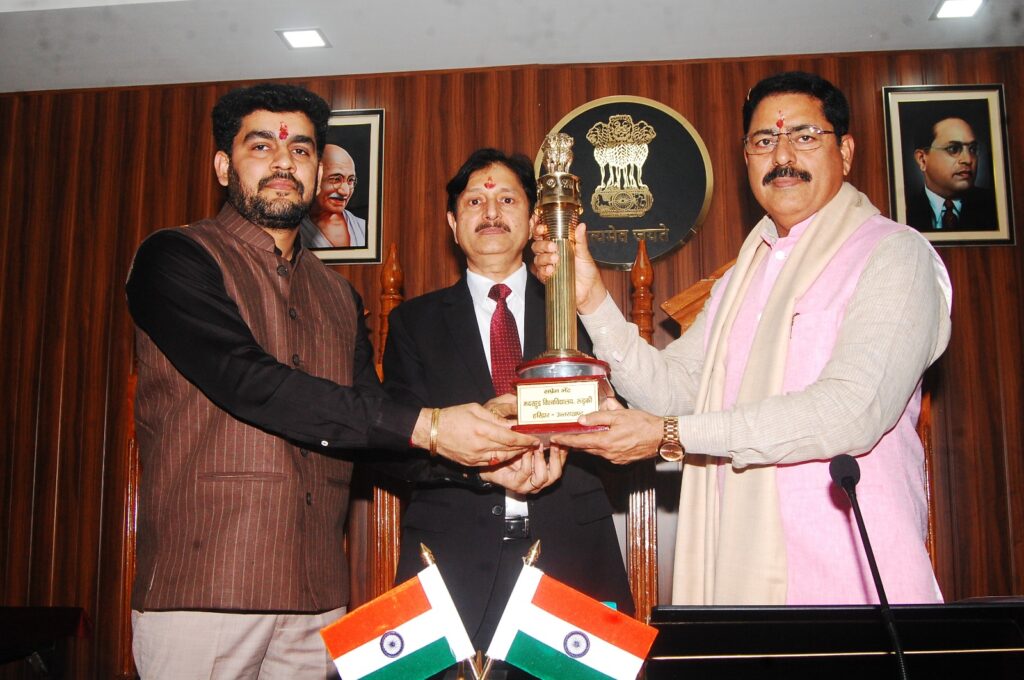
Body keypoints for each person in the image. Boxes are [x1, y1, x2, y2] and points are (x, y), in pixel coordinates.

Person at [125, 84, 538, 679]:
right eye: (261, 146)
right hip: (207, 587)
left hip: (316, 594)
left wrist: (479, 464)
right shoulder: (176, 258)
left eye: (300, 150)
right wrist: (432, 425)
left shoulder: (339, 297)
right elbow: (249, 382)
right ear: (222, 166)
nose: (283, 163)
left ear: (318, 174)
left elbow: (374, 431)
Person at [534, 71, 952, 606]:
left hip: (856, 584)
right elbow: (673, 390)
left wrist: (671, 435)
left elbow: (852, 410)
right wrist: (591, 299)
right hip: (742, 580)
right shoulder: (741, 279)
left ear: (845, 152)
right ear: (746, 158)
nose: (783, 155)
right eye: (764, 140)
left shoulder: (895, 255)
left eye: (805, 136)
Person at [380, 148, 633, 658]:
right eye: (475, 201)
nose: (491, 212)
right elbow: (395, 447)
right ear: (453, 225)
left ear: (535, 218)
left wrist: (580, 433)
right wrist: (479, 467)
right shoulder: (414, 323)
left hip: (571, 547)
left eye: (507, 200)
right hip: (451, 554)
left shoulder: (580, 308)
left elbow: (625, 416)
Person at [907, 112, 997, 232]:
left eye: (972, 149)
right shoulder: (904, 211)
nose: (968, 160)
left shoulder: (996, 208)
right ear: (922, 159)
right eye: (953, 149)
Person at [299, 143, 368, 247]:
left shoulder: (363, 228)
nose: (345, 192)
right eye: (336, 179)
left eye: (350, 180)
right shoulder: (292, 231)